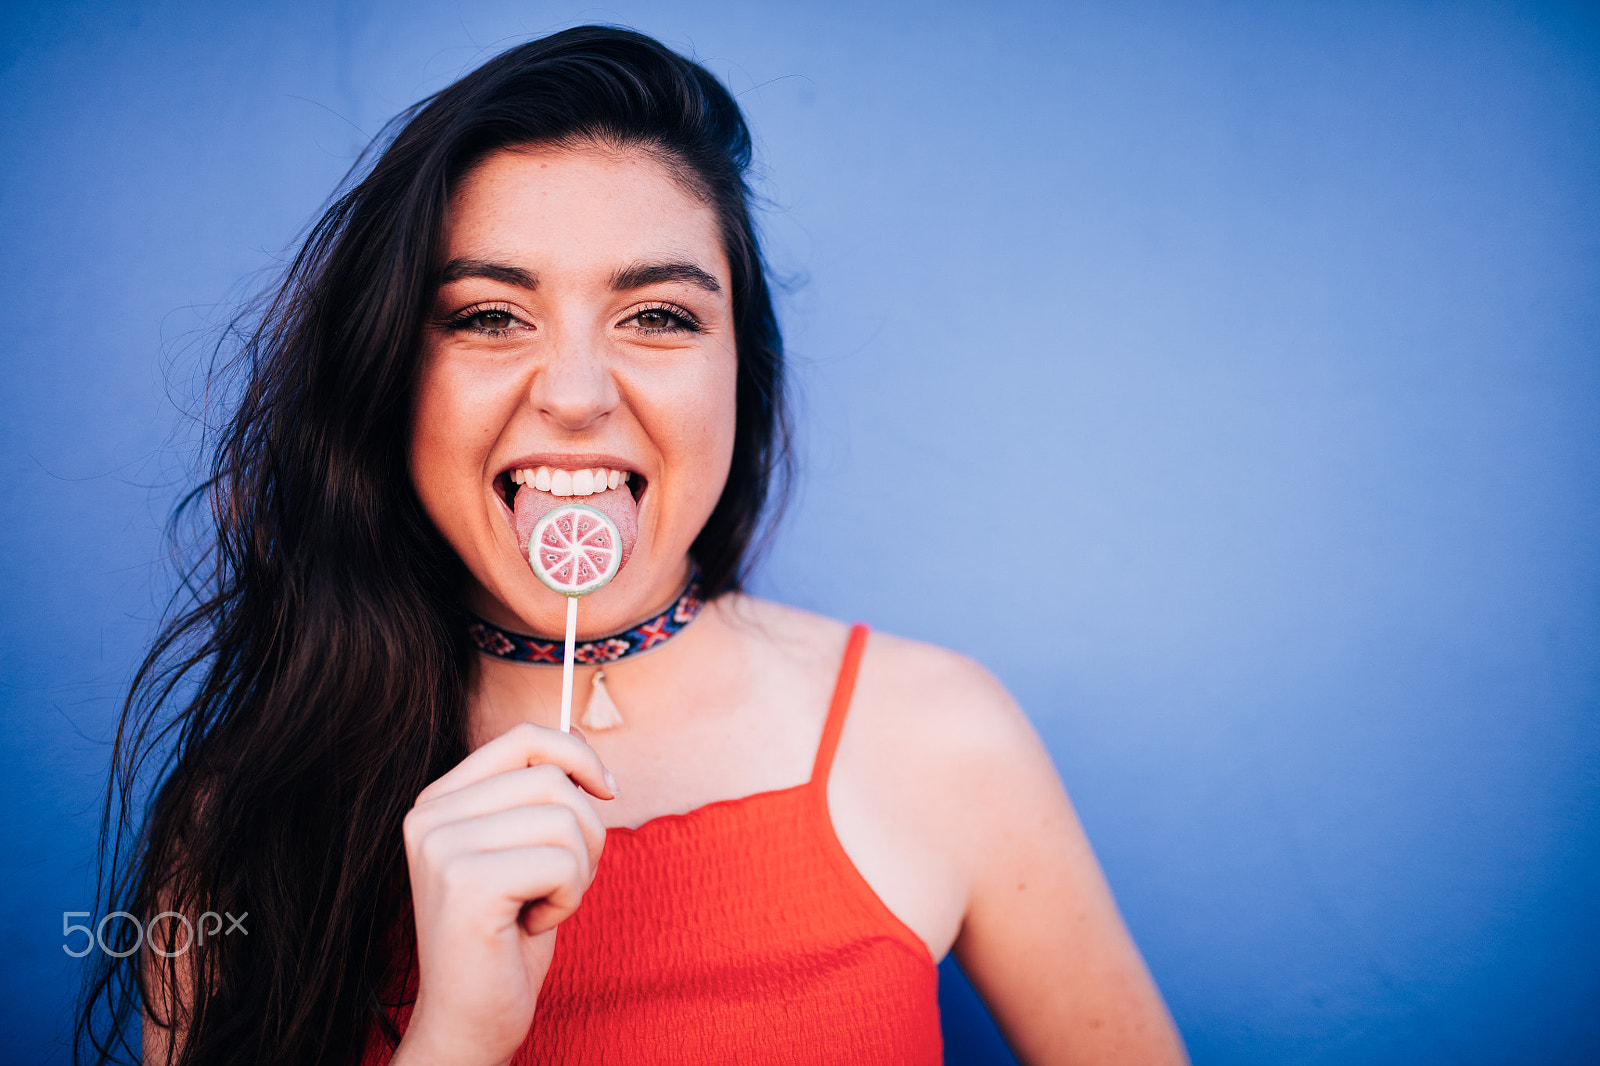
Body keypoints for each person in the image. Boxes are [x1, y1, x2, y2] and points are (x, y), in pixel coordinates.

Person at [80, 25, 1188, 1066]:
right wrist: (457, 1033)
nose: (573, 394)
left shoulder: (941, 737)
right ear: (388, 378)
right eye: (486, 315)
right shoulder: (238, 822)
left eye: (658, 315)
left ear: (738, 376)